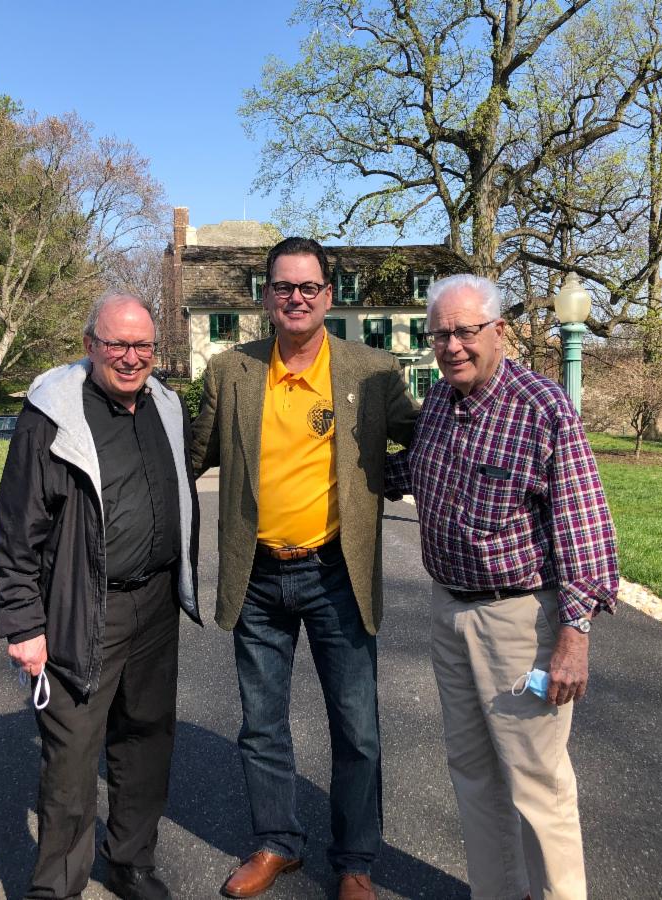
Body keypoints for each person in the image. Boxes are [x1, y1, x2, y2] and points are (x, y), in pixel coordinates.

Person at [190, 237, 419, 900]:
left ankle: (354, 861)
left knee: (357, 729)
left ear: (328, 295)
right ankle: (277, 844)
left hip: (336, 574)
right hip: (257, 577)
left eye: (308, 287)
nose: (296, 297)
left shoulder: (372, 371)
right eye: (284, 287)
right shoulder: (231, 371)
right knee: (261, 724)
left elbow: (429, 439)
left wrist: (385, 483)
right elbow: (189, 457)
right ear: (266, 296)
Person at [386, 273, 619, 900]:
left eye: (465, 331)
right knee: (472, 773)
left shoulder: (542, 408)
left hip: (518, 621)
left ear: (500, 331)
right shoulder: (440, 402)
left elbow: (585, 526)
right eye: (440, 334)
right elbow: (412, 472)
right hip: (449, 611)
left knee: (537, 782)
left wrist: (574, 636)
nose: (452, 346)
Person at [0, 295, 201, 900]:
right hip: (83, 607)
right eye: (117, 345)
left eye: (143, 346)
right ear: (90, 345)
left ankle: (131, 862)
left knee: (146, 736)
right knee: (72, 752)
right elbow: (15, 529)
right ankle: (56, 886)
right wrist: (23, 624)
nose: (131, 358)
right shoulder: (52, 416)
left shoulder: (166, 405)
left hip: (156, 603)